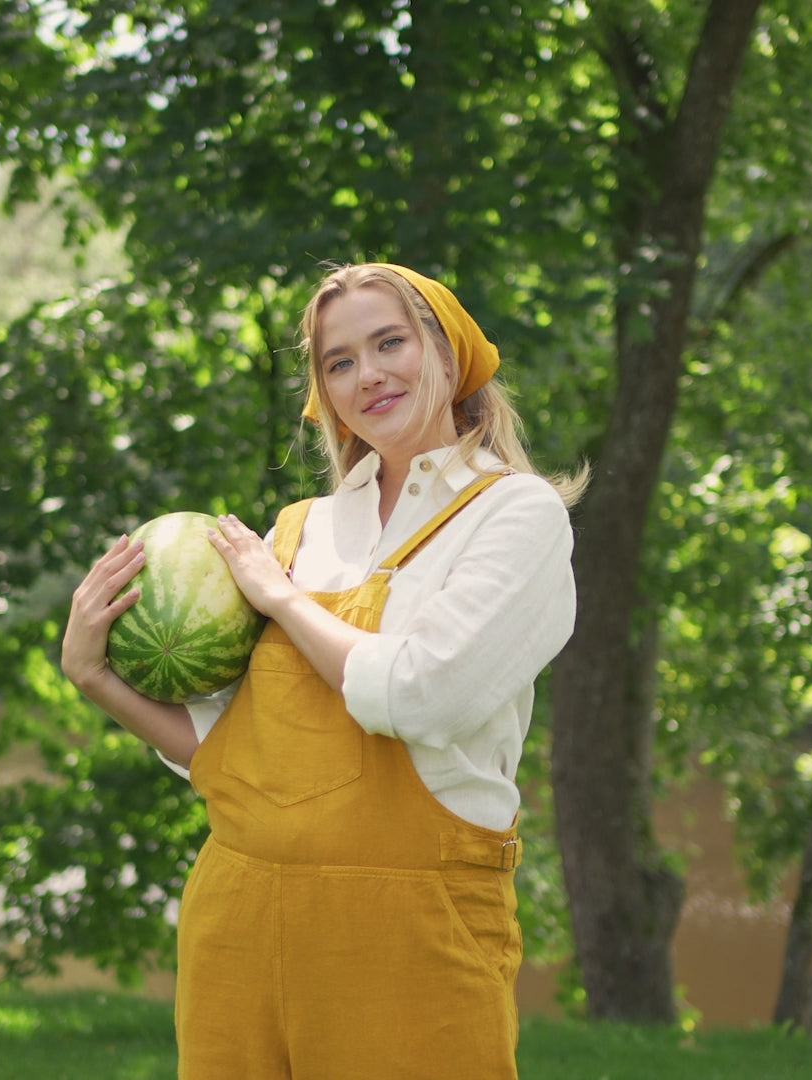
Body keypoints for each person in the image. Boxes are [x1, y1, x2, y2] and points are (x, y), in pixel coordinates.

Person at [61, 262, 587, 1079]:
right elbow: (225, 750)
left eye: (389, 343)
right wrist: (96, 675)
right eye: (339, 362)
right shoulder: (297, 530)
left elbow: (419, 694)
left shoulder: (515, 514)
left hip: (408, 929)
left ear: (447, 352)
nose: (366, 374)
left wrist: (280, 597)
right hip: (236, 920)